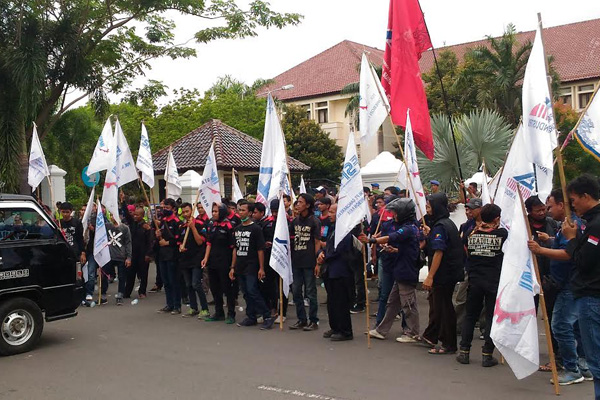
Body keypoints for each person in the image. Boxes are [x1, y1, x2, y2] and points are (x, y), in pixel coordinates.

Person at [528, 189, 592, 385]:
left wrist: (541, 250)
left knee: (560, 325)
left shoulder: (572, 225)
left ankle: (571, 368)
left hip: (568, 284)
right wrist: (550, 240)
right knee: (576, 326)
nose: (547, 210)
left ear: (561, 205)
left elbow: (569, 253)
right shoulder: (566, 226)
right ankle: (584, 365)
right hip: (570, 283)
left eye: (550, 206)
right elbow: (566, 245)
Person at [562, 175, 600, 397]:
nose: (572, 204)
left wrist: (572, 238)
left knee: (596, 359)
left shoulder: (595, 225)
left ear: (586, 197)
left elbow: (584, 262)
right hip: (590, 295)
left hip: (592, 296)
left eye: (574, 199)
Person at [456, 204, 506, 367]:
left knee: (470, 315)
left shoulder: (472, 233)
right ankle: (487, 354)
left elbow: (464, 248)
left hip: (475, 281)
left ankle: (464, 352)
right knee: (491, 316)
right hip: (493, 281)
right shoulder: (502, 234)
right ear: (497, 218)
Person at [364, 198, 422, 343]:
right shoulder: (408, 226)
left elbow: (394, 236)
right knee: (392, 302)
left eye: (396, 212)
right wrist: (394, 250)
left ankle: (413, 333)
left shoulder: (409, 228)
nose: (393, 215)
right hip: (400, 268)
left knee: (408, 304)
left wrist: (372, 241)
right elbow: (403, 247)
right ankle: (381, 330)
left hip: (407, 270)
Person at [421, 193, 463, 355]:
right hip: (449, 272)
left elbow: (439, 251)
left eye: (429, 206)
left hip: (444, 274)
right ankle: (432, 336)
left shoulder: (441, 226)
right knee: (440, 306)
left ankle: (448, 343)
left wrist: (430, 276)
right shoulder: (445, 224)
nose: (427, 209)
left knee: (444, 308)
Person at [526, 194, 560, 369]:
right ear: (529, 211)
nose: (542, 212)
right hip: (529, 275)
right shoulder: (524, 226)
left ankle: (556, 354)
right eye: (537, 210)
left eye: (544, 209)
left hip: (550, 275)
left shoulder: (552, 224)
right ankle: (526, 348)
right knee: (528, 313)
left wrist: (548, 241)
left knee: (552, 315)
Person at [230, 200, 274, 329]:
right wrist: (232, 267)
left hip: (252, 265)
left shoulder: (255, 228)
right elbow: (235, 248)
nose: (240, 212)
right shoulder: (237, 229)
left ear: (249, 213)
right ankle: (251, 316)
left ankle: (267, 315)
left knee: (252, 290)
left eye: (243, 210)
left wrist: (261, 268)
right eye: (239, 210)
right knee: (245, 292)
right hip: (240, 265)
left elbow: (260, 249)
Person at [319, 203, 358, 341]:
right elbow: (328, 246)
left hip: (341, 271)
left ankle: (345, 331)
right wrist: (321, 253)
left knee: (340, 302)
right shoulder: (333, 229)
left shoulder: (345, 231)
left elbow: (338, 250)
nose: (329, 215)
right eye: (329, 212)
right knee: (332, 302)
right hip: (330, 271)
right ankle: (335, 327)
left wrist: (325, 256)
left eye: (332, 212)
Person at [289, 193, 321, 331]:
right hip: (296, 261)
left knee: (310, 291)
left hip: (309, 262)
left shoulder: (314, 221)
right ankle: (301, 319)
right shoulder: (294, 221)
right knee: (296, 291)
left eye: (301, 202)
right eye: (297, 202)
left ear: (308, 205)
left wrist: (317, 263)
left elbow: (317, 241)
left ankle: (313, 320)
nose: (297, 205)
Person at [202, 203, 236, 324]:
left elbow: (233, 248)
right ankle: (219, 312)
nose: (214, 213)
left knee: (227, 289)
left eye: (216, 211)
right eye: (213, 211)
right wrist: (205, 258)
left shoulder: (229, 226)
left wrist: (232, 266)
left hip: (225, 263)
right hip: (213, 262)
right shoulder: (211, 225)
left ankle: (231, 314)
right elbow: (209, 243)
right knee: (215, 289)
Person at [454, 198, 482, 331]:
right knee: (461, 296)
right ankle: (458, 325)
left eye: (471, 209)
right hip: (467, 265)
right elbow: (461, 243)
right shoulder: (466, 225)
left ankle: (483, 326)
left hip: (483, 268)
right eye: (466, 209)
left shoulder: (490, 225)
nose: (468, 211)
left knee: (483, 298)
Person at [178, 203, 210, 318]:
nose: (186, 214)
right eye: (184, 212)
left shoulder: (200, 224)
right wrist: (180, 246)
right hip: (185, 259)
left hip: (197, 259)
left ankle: (205, 309)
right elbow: (179, 241)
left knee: (196, 284)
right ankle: (193, 307)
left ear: (192, 211)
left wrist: (192, 227)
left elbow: (200, 242)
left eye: (187, 211)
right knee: (188, 285)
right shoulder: (182, 226)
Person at [155, 198, 183, 314]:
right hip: (162, 255)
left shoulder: (177, 222)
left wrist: (167, 243)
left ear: (174, 209)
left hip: (173, 256)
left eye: (167, 208)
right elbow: (160, 236)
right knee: (166, 281)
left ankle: (177, 305)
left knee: (173, 281)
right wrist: (158, 235)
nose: (165, 210)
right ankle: (169, 304)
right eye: (164, 208)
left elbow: (179, 240)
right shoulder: (162, 221)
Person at [253, 202, 278, 318]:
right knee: (265, 284)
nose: (274, 213)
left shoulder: (284, 222)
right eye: (273, 211)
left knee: (277, 285)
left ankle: (276, 308)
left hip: (277, 257)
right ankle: (266, 307)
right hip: (264, 258)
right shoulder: (263, 223)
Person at [101, 216, 132, 305]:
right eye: (111, 215)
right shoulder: (106, 226)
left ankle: (120, 295)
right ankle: (103, 294)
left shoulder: (125, 228)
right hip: (108, 256)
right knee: (104, 275)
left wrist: (129, 257)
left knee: (122, 276)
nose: (112, 217)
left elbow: (128, 243)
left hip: (121, 256)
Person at [125, 207, 153, 299]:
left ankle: (142, 291)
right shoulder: (132, 224)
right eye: (135, 214)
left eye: (137, 215)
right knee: (130, 274)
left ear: (142, 215)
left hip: (143, 254)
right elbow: (127, 215)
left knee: (143, 274)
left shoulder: (146, 227)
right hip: (133, 253)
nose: (135, 216)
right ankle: (127, 292)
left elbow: (150, 241)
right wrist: (123, 202)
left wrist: (148, 254)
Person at [59, 202, 85, 268]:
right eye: (63, 212)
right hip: (62, 254)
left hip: (75, 253)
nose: (65, 214)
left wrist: (83, 253)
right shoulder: (58, 223)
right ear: (60, 211)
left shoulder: (77, 222)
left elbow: (80, 238)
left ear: (71, 212)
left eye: (67, 212)